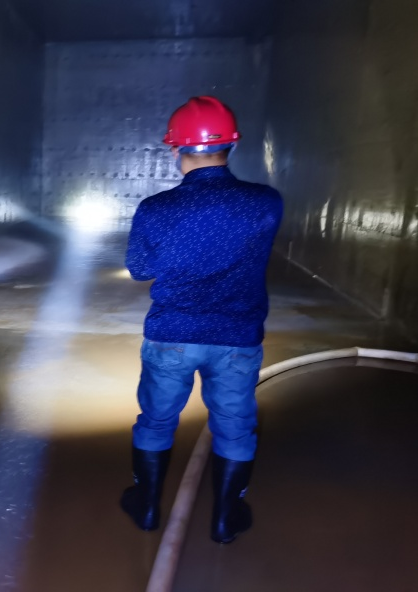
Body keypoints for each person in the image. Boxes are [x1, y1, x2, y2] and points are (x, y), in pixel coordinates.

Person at [121, 96, 283, 543]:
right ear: (232, 146)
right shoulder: (266, 203)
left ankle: (148, 509)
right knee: (234, 426)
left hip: (171, 335)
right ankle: (225, 519)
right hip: (236, 337)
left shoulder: (155, 209)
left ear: (177, 151)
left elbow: (139, 270)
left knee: (155, 421)